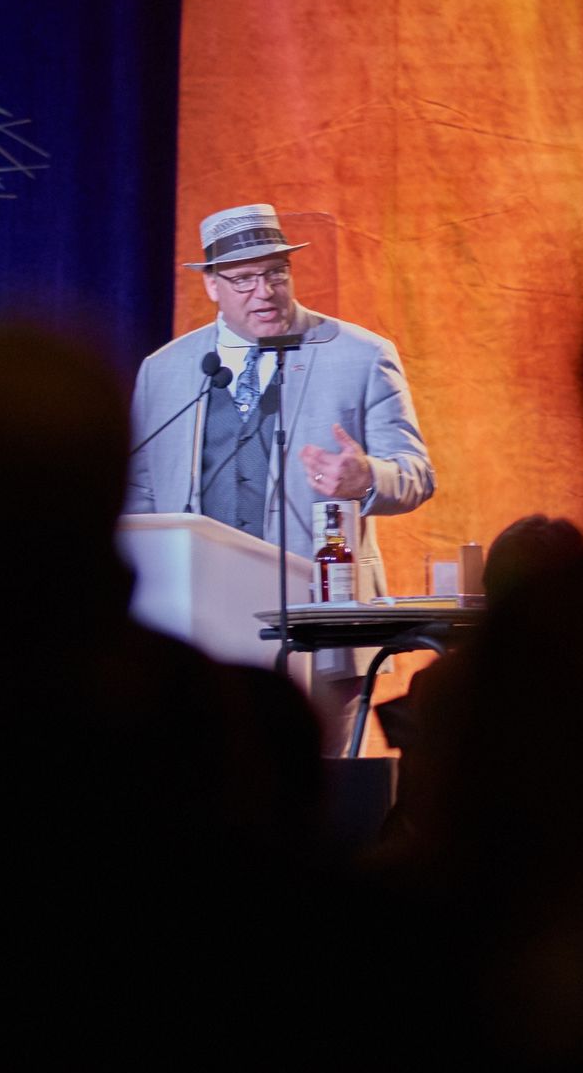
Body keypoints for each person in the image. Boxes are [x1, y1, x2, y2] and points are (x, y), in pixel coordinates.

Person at [126, 204, 435, 742]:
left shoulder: (361, 355)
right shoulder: (165, 370)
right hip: (197, 630)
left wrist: (366, 478)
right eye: (244, 279)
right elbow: (141, 495)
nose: (264, 292)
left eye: (275, 273)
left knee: (319, 780)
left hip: (322, 623)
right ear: (212, 286)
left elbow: (416, 474)